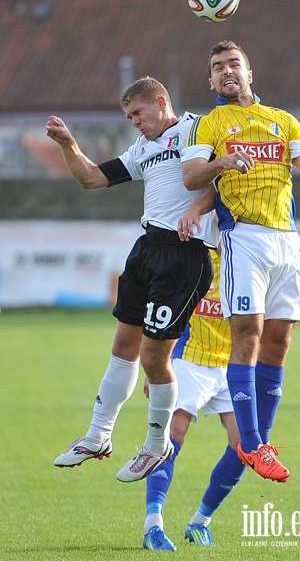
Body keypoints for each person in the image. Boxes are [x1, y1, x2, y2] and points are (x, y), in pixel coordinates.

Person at [179, 40, 300, 483]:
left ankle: (262, 440)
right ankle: (253, 442)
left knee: (279, 340)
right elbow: (190, 176)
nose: (226, 72)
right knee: (249, 333)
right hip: (243, 236)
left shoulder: (283, 121)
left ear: (250, 73)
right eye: (218, 67)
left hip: (286, 240)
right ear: (211, 80)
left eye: (233, 64)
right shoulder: (210, 124)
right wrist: (223, 161)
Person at [46, 76, 217, 481]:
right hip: (146, 250)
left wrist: (197, 209)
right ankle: (97, 435)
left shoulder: (197, 128)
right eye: (129, 117)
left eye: (138, 113)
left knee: (154, 358)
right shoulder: (143, 147)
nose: (134, 123)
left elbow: (224, 183)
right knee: (123, 345)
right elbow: (91, 178)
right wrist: (68, 143)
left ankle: (157, 446)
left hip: (184, 255)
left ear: (161, 102)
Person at [143, 248, 246, 551]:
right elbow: (165, 308)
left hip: (233, 361)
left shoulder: (247, 252)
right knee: (172, 434)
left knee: (244, 445)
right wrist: (156, 368)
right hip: (189, 356)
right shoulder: (193, 251)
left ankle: (200, 521)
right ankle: (153, 525)